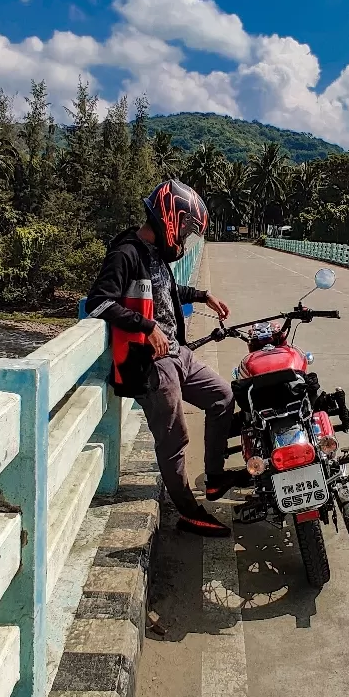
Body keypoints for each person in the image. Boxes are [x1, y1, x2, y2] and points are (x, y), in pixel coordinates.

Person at [85, 178, 246, 537]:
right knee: (175, 437)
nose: (186, 236)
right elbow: (98, 302)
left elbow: (167, 290)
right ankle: (188, 511)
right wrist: (146, 327)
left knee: (224, 396)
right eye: (186, 227)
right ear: (169, 217)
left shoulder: (154, 252)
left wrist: (203, 295)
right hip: (151, 362)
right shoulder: (125, 253)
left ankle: (215, 477)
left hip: (178, 352)